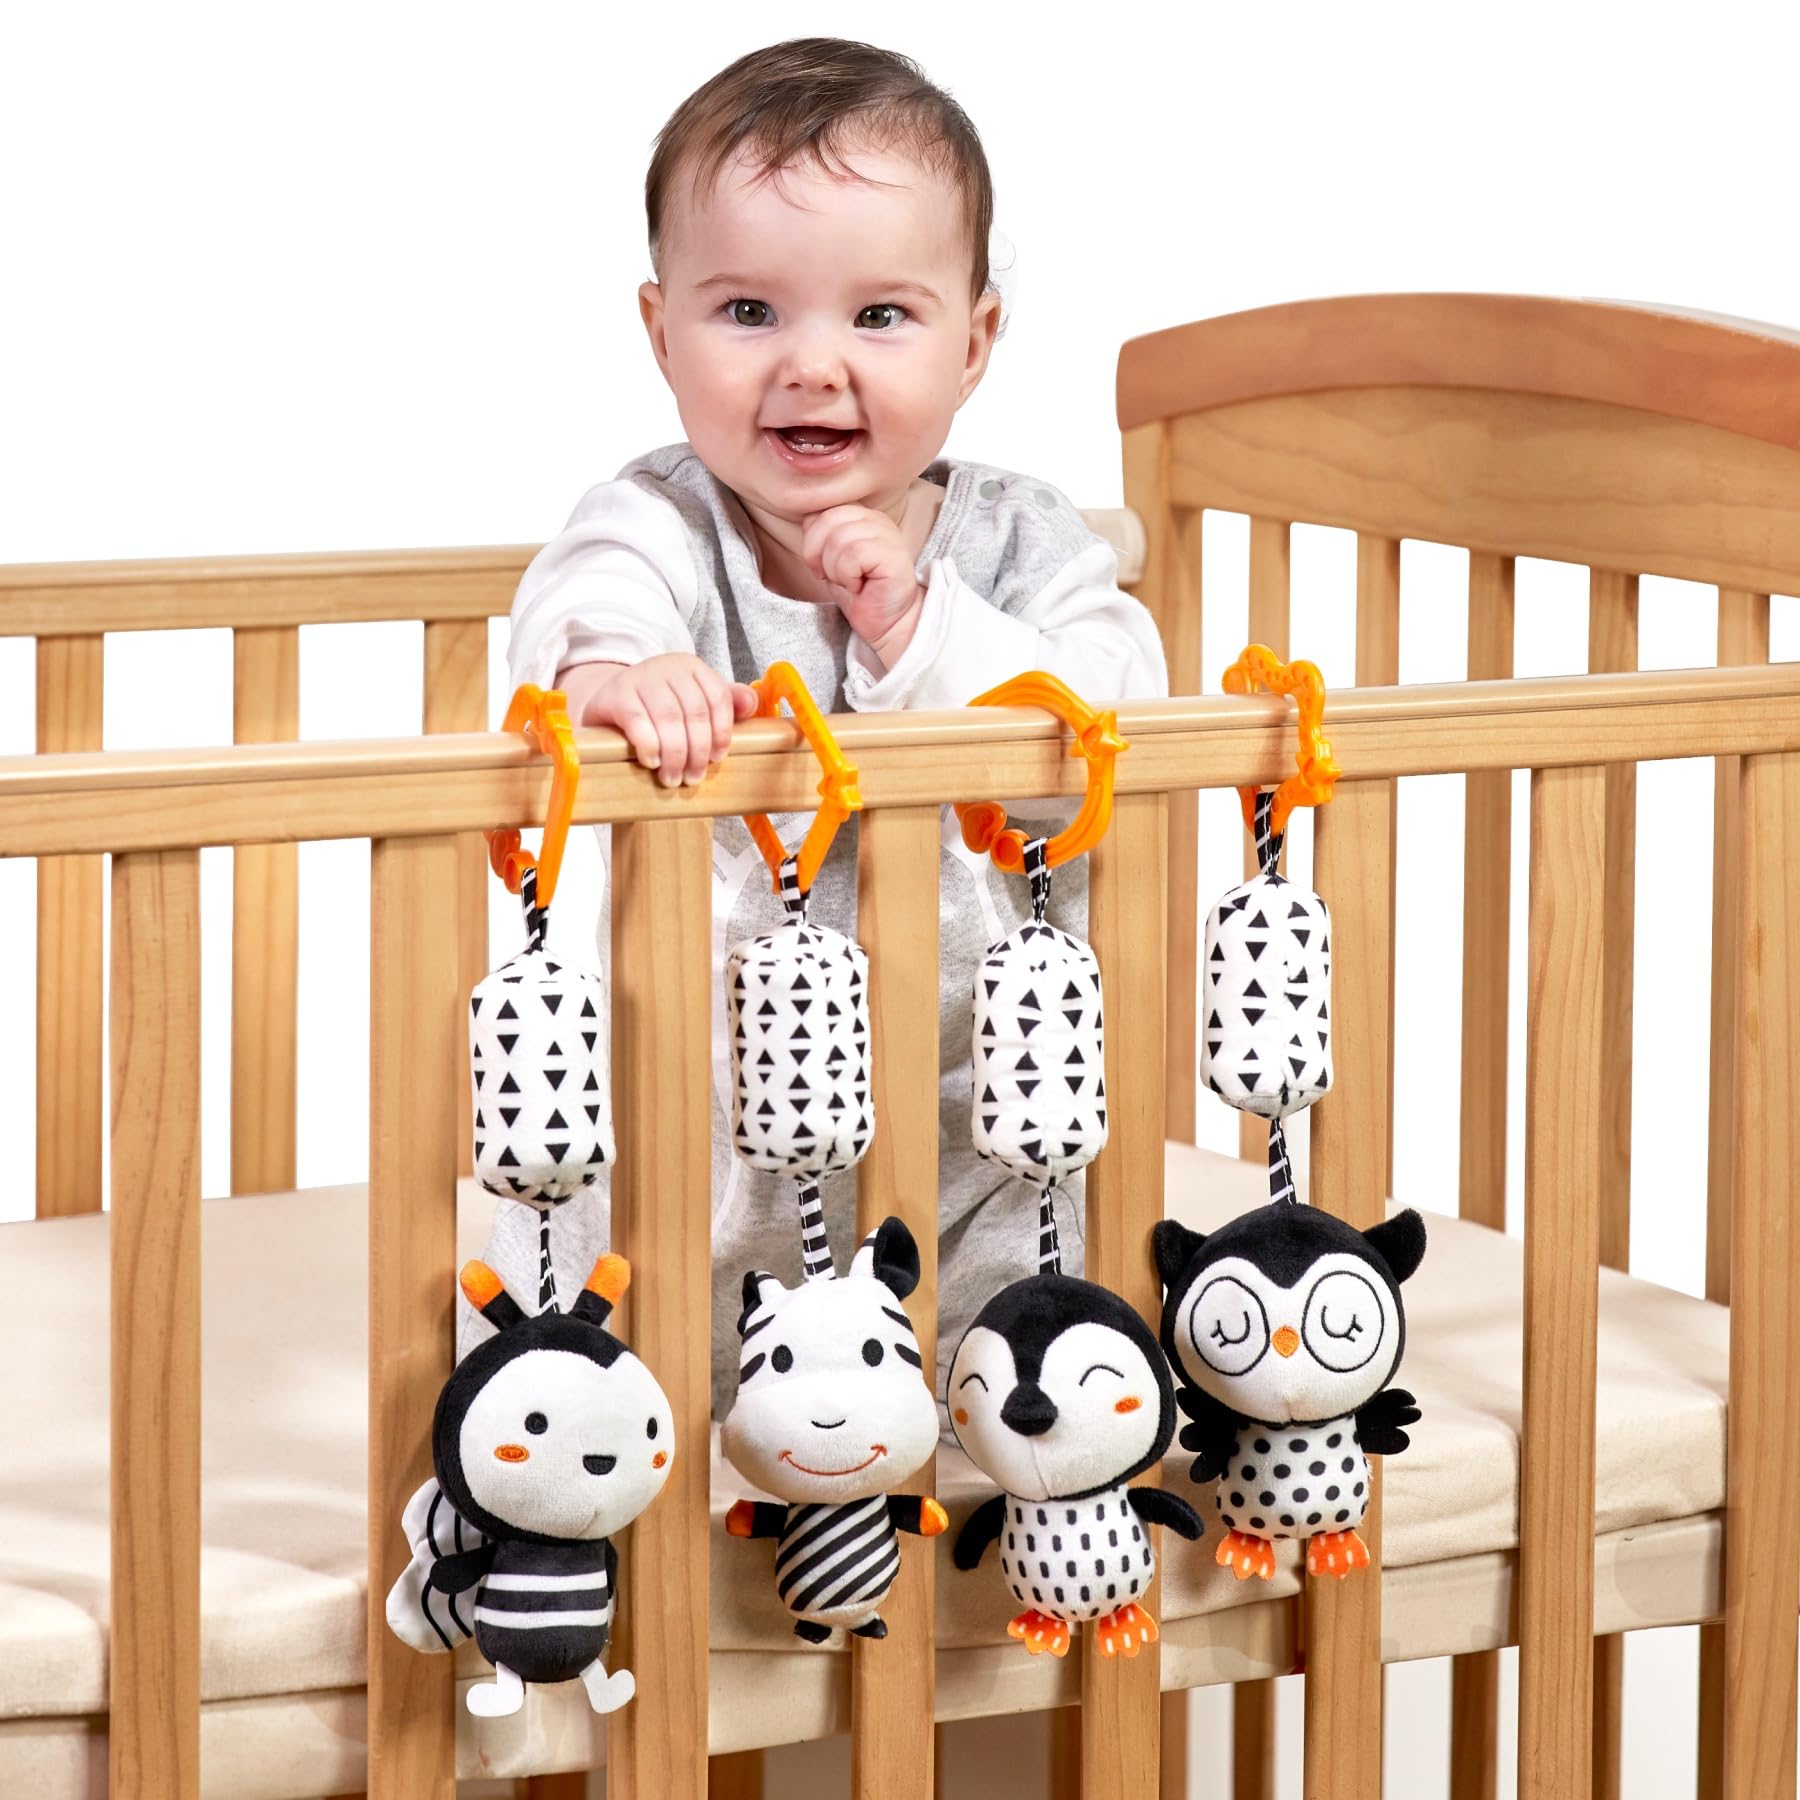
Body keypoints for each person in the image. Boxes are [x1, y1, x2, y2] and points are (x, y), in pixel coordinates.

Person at [491, 36, 1167, 1424]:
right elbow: (582, 591)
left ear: (974, 343)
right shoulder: (664, 522)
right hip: (709, 1103)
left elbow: (1113, 719)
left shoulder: (1020, 544)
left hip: (984, 1096)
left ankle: (980, 1509)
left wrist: (923, 630)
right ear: (660, 331)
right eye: (748, 310)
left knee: (995, 1363)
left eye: (880, 316)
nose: (812, 366)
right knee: (660, 1346)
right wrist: (620, 668)